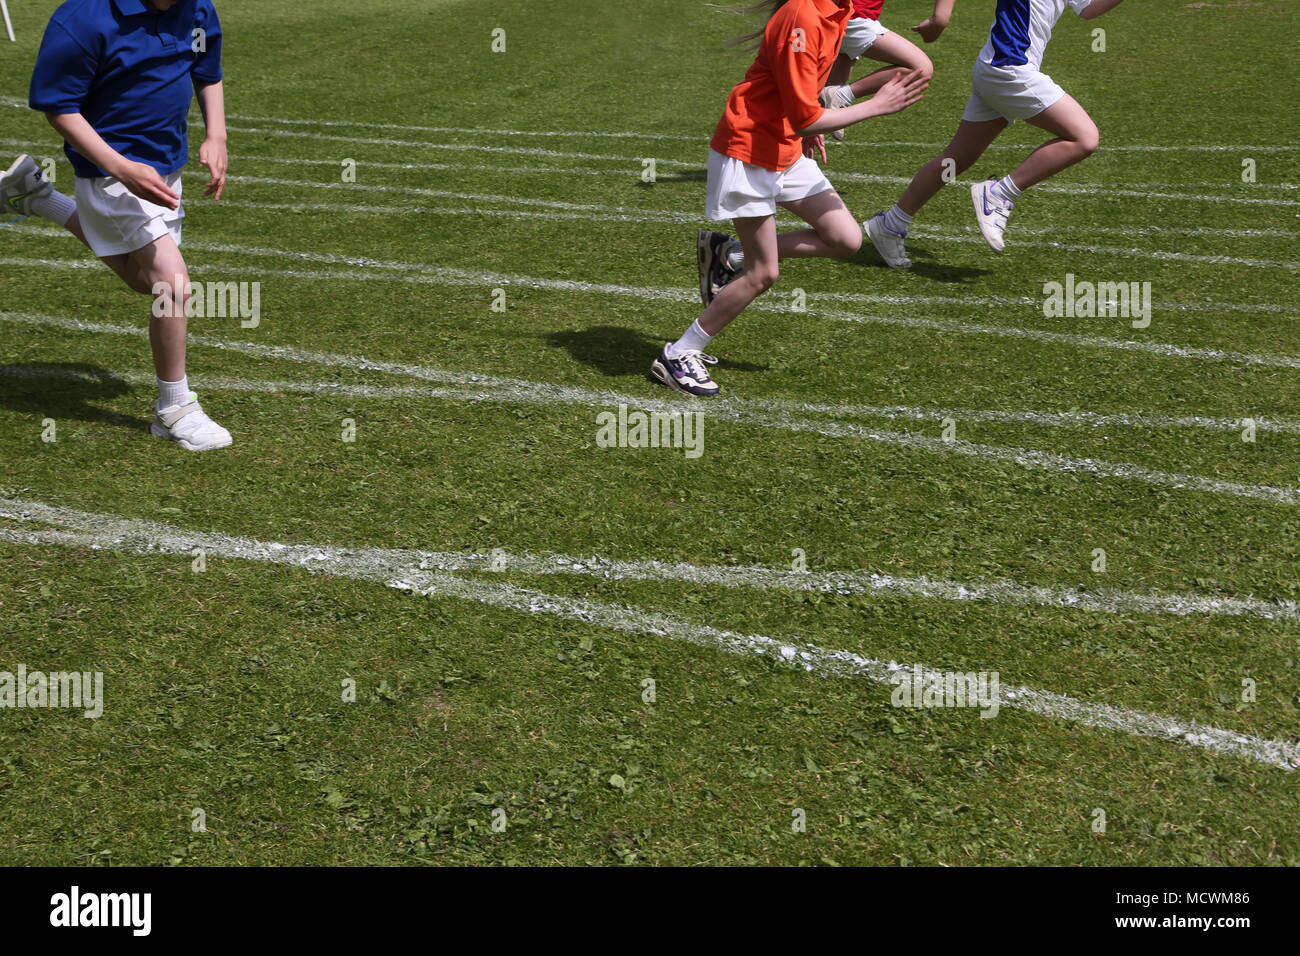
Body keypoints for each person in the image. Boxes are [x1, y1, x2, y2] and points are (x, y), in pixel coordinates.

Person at [652, 0, 927, 397]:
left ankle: (729, 255)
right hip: (747, 153)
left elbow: (803, 101)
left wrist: (809, 120)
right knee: (765, 273)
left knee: (844, 239)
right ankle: (679, 353)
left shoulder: (839, 10)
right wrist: (874, 107)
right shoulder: (802, 14)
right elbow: (804, 116)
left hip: (784, 148)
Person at [0, 0, 232, 450]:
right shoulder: (83, 20)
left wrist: (216, 133)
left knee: (149, 283)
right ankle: (175, 408)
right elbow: (59, 108)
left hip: (165, 169)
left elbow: (206, 67)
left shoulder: (196, 9)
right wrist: (122, 168)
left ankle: (37, 197)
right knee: (174, 287)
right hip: (110, 173)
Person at [864, 0, 1125, 267]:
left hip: (997, 68)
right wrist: (939, 18)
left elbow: (1089, 9)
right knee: (1084, 138)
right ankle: (1000, 194)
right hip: (1009, 70)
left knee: (956, 160)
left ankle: (890, 225)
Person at [818, 0, 948, 142]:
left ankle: (799, 153)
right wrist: (939, 20)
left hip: (845, 14)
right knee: (921, 68)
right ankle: (841, 95)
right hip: (853, 16)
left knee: (816, 113)